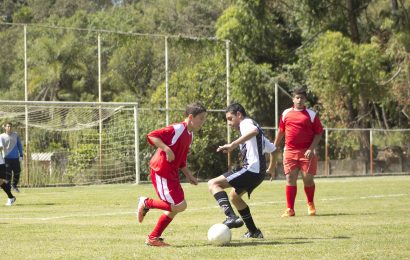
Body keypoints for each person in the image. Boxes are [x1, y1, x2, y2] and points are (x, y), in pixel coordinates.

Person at [137, 102, 207, 247]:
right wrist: (166, 148)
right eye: (201, 118)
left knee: (175, 208)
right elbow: (152, 136)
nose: (203, 122)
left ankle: (153, 237)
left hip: (172, 174)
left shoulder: (190, 135)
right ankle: (146, 203)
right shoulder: (177, 128)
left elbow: (181, 159)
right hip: (161, 170)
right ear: (190, 117)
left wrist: (188, 175)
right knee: (179, 205)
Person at [208, 103, 276, 239]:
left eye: (230, 118)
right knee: (234, 197)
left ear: (239, 115)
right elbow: (273, 149)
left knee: (213, 183)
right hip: (258, 174)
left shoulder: (246, 123)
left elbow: (253, 131)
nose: (229, 123)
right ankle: (254, 231)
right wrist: (271, 169)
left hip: (251, 170)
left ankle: (231, 217)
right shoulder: (256, 130)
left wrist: (233, 145)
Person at [272, 87, 323, 217]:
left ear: (305, 99)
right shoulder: (285, 114)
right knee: (290, 178)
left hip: (307, 152)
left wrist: (311, 149)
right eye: (297, 97)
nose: (299, 100)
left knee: (308, 179)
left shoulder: (311, 115)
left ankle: (310, 203)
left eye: (302, 98)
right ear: (293, 99)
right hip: (289, 151)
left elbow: (318, 133)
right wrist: (274, 146)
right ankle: (290, 209)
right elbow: (281, 131)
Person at [0, 122, 23, 193]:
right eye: (8, 126)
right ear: (5, 127)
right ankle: (8, 188)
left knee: (17, 172)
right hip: (6, 158)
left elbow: (19, 145)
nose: (9, 128)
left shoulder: (15, 135)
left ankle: (14, 185)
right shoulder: (1, 136)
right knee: (8, 174)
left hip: (16, 158)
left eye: (10, 126)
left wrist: (21, 155)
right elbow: (1, 147)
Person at [0, 136, 16, 206]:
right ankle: (11, 197)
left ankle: (11, 197)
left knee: (0, 182)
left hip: (0, 163)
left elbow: (1, 147)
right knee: (0, 182)